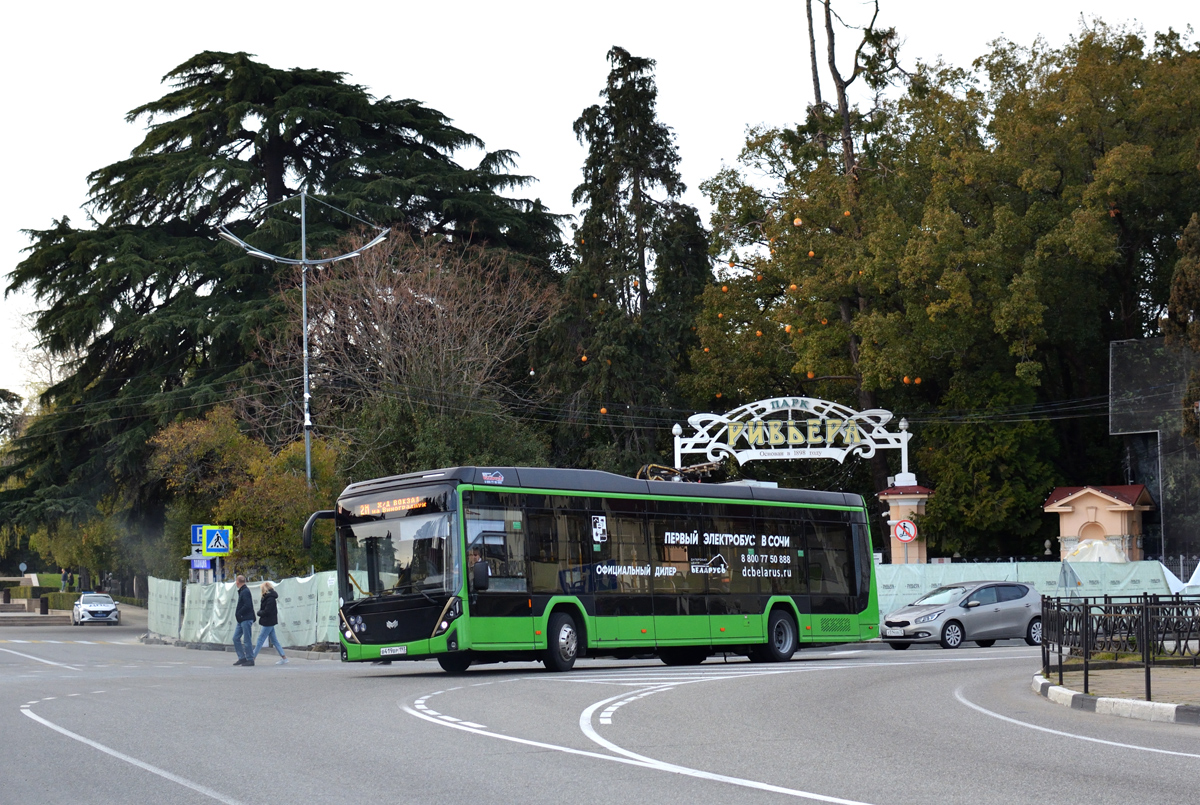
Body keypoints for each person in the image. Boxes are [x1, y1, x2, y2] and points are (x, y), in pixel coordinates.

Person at [252, 581, 288, 665]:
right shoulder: (270, 598)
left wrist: (259, 613)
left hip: (268, 621)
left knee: (260, 639)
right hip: (270, 621)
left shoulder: (269, 598)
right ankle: (284, 657)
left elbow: (267, 611)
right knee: (274, 640)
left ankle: (252, 657)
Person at [232, 575, 256, 666]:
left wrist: (239, 613)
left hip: (246, 618)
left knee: (247, 639)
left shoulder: (245, 591)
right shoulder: (243, 591)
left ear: (237, 582)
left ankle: (250, 659)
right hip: (242, 619)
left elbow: (247, 605)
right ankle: (242, 657)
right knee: (235, 638)